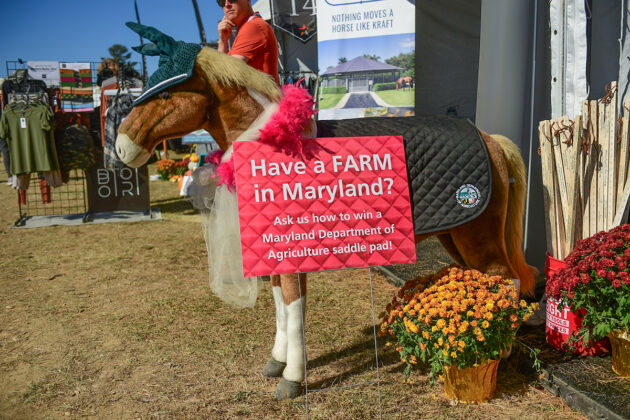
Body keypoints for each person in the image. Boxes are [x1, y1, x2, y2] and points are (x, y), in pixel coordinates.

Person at [217, 0, 279, 84]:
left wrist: (222, 43)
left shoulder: (253, 26)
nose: (227, 4)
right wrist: (223, 41)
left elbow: (224, 76)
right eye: (221, 2)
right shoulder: (249, 26)